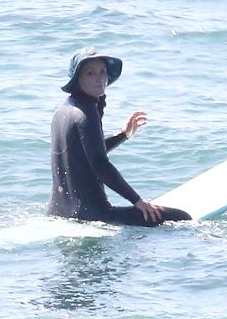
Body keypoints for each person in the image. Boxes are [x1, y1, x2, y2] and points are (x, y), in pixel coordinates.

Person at [47, 47, 192, 227]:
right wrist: (138, 201)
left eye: (102, 71)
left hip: (58, 214)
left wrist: (123, 136)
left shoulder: (63, 111)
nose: (100, 78)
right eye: (90, 73)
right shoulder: (86, 114)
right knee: (182, 218)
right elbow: (99, 163)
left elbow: (84, 154)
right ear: (77, 80)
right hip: (95, 216)